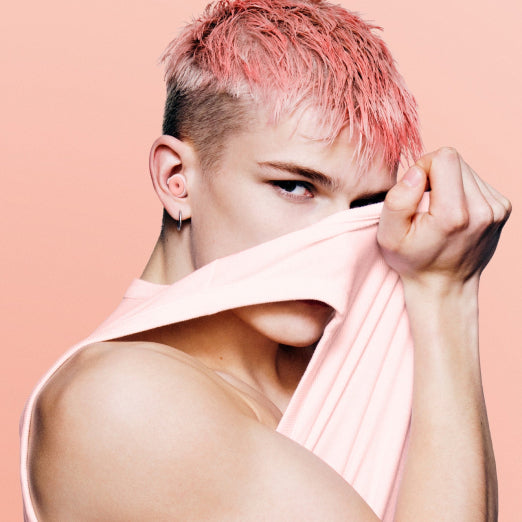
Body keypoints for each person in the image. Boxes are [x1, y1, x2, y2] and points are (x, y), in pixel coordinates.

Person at [20, 0, 510, 520]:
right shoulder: (120, 401)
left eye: (365, 208)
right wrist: (448, 293)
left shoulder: (360, 363)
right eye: (295, 187)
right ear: (175, 179)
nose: (340, 245)